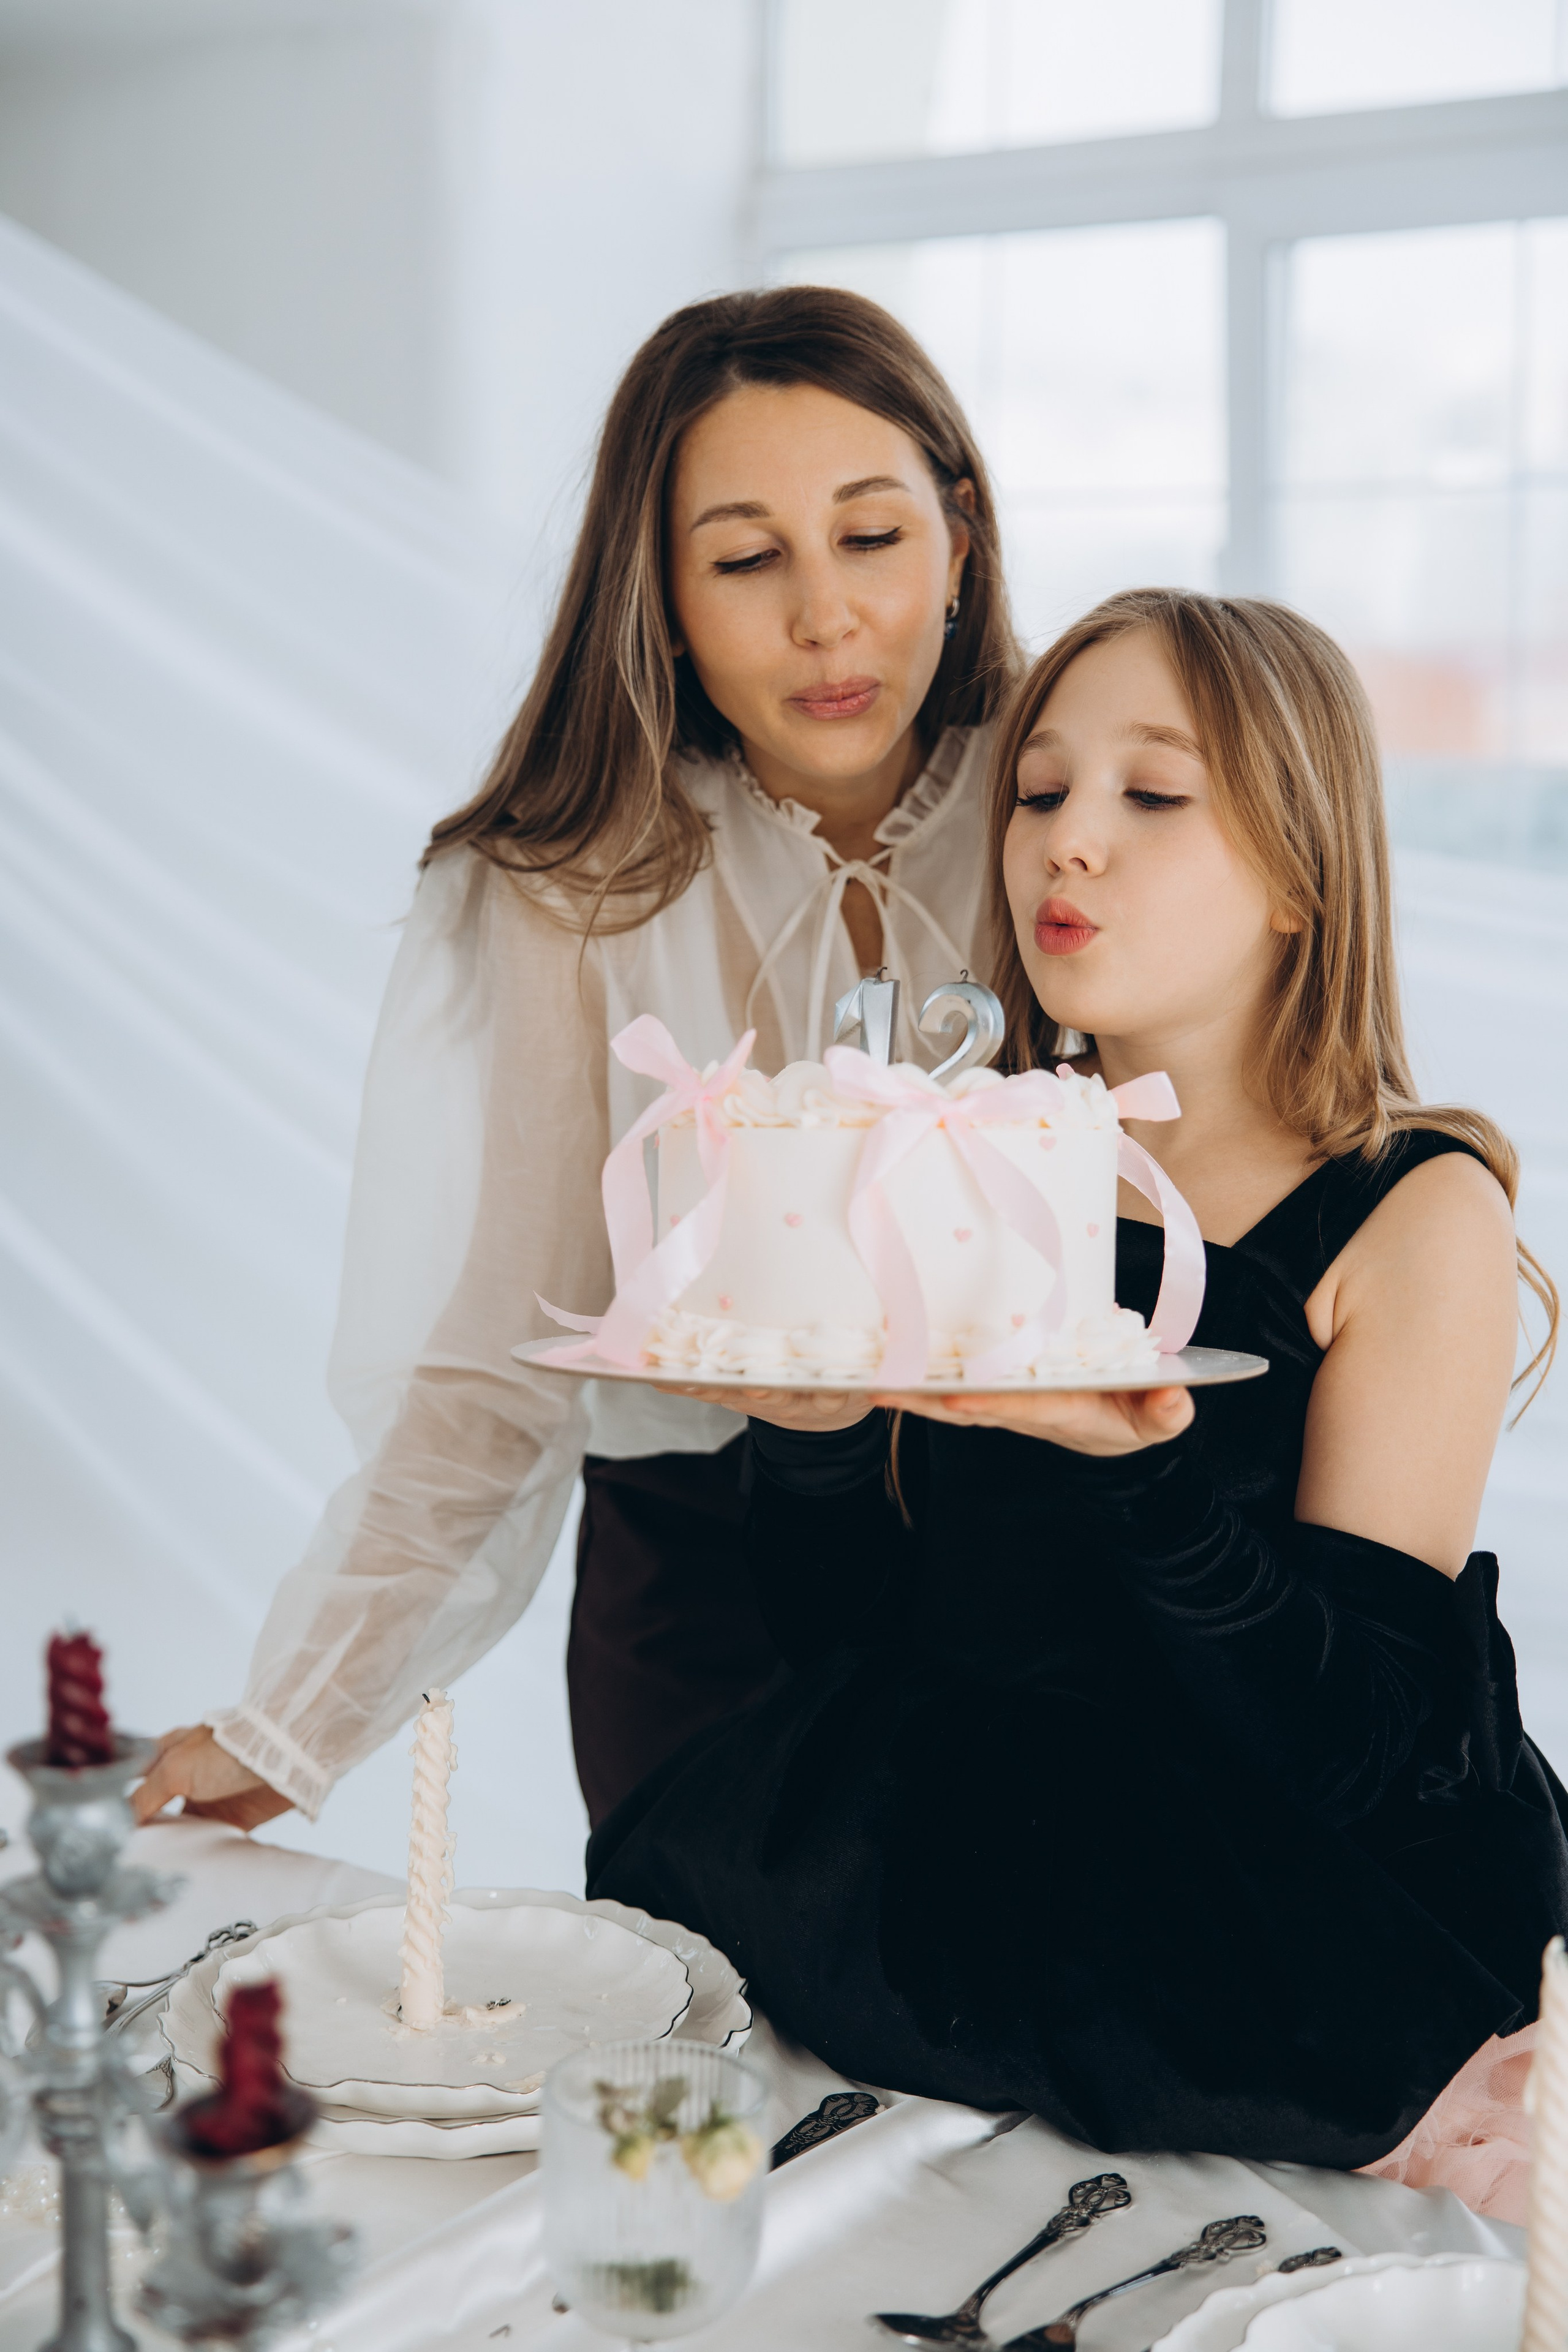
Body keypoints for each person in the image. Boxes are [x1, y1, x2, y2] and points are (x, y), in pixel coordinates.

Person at [586, 587, 1568, 2166]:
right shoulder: (973, 1151)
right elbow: (859, 1637)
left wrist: (1146, 1473)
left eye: (1150, 795)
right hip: (953, 1876)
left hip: (1263, 1917)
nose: (1065, 840)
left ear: (1301, 880)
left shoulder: (1410, 1207)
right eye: (1039, 790)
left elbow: (1363, 1748)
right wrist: (817, 1439)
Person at [133, 287, 1020, 1838]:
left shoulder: (1093, 796)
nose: (823, 615)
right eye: (746, 559)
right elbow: (497, 1353)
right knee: (698, 2068)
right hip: (703, 1597)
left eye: (869, 538)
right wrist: (295, 1718)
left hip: (1048, 1578)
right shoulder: (576, 879)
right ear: (661, 594)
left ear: (956, 531)